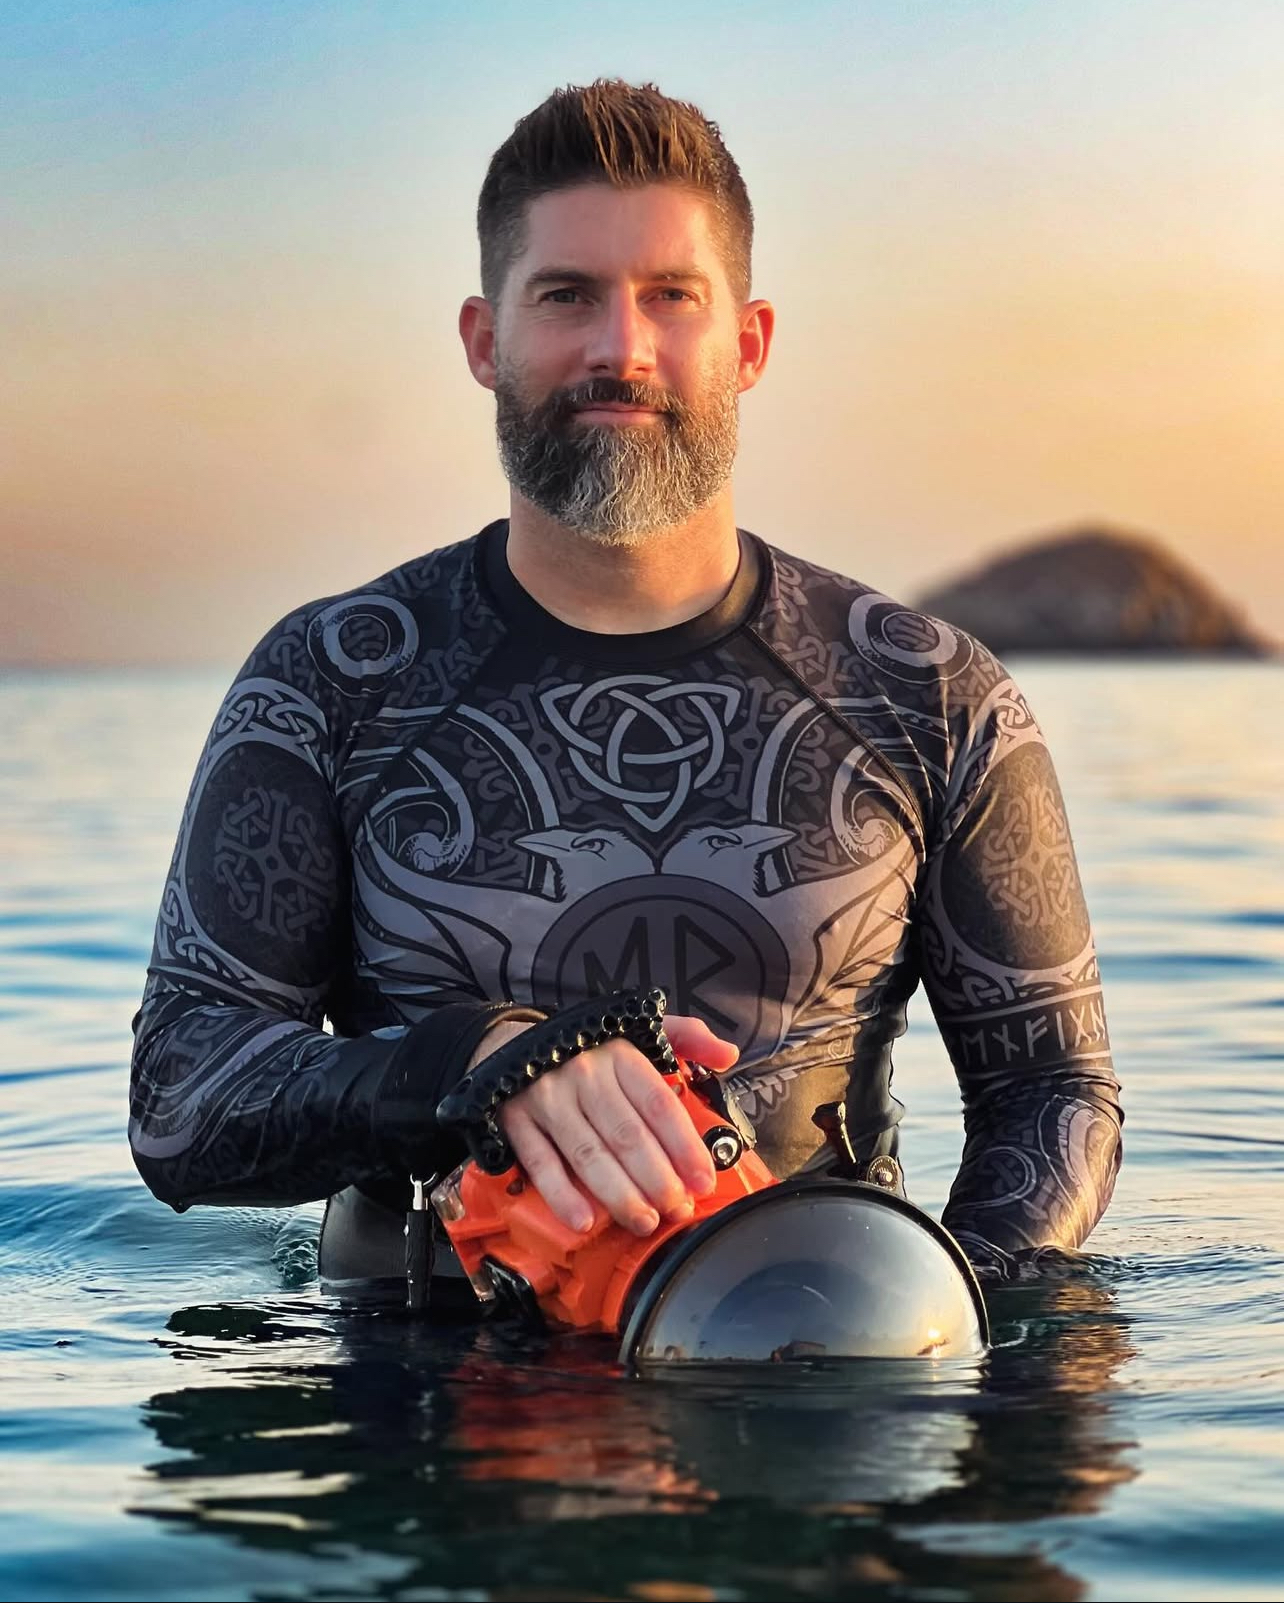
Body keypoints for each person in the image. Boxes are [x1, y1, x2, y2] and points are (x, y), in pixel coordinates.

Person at [129, 78, 1122, 1289]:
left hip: (822, 1367)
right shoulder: (331, 683)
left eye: (670, 296)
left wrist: (935, 1312)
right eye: (566, 295)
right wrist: (480, 1060)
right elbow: (180, 1094)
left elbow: (1053, 1091)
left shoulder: (930, 697)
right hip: (409, 1384)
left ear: (748, 345)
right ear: (484, 341)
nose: (621, 348)